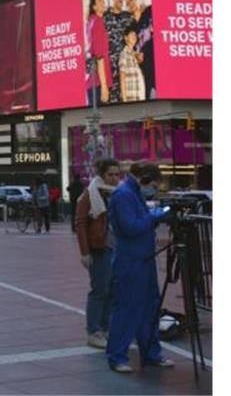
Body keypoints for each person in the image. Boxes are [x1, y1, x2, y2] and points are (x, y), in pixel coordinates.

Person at [105, 161, 174, 373]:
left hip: (143, 259)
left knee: (149, 308)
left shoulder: (133, 192)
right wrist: (156, 215)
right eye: (153, 183)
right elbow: (130, 227)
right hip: (130, 261)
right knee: (127, 308)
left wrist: (153, 215)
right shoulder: (124, 194)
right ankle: (117, 357)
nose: (153, 188)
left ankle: (151, 353)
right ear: (143, 178)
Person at [75, 158, 121, 349]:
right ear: (102, 175)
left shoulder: (118, 193)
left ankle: (106, 328)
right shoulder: (90, 194)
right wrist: (85, 252)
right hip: (99, 248)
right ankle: (93, 331)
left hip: (116, 248)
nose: (114, 178)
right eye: (110, 174)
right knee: (100, 290)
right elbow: (80, 223)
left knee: (112, 290)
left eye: (117, 174)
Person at [103, 0, 135, 96]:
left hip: (127, 70)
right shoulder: (104, 18)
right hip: (111, 72)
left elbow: (134, 41)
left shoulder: (128, 17)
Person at [86, 0, 112, 106]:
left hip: (92, 83)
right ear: (94, 7)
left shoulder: (90, 21)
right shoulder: (98, 22)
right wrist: (104, 86)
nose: (103, 2)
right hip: (98, 83)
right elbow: (100, 57)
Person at [118, 27, 146, 103]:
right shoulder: (124, 54)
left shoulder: (136, 54)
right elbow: (122, 77)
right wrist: (124, 100)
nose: (134, 37)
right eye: (132, 35)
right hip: (131, 97)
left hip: (139, 95)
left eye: (135, 35)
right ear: (126, 38)